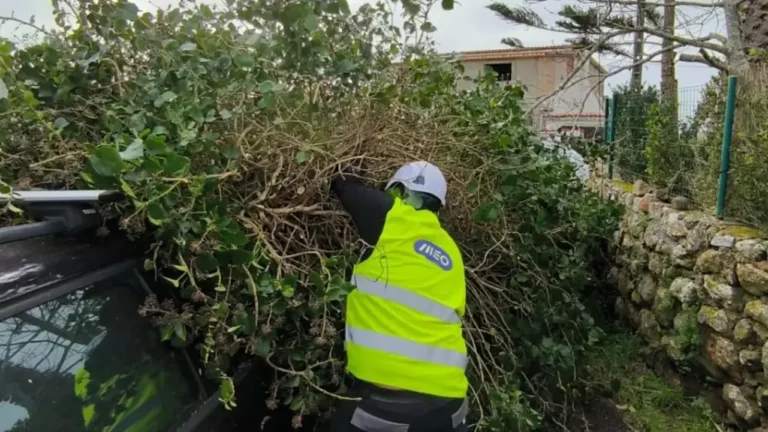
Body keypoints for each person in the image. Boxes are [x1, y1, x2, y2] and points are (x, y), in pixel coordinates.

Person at [329, 161, 469, 432]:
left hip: (388, 408)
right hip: (450, 405)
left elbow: (344, 181)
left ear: (401, 192)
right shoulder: (451, 251)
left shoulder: (391, 217)